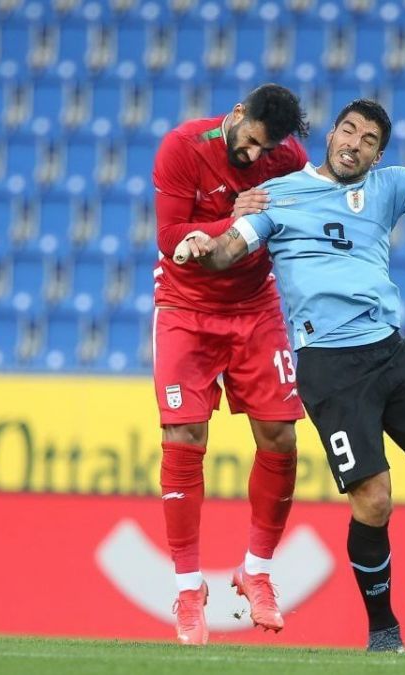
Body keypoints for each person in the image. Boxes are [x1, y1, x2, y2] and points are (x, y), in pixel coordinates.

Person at [175, 74, 405, 653]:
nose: (355, 143)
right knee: (375, 499)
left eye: (369, 139)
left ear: (379, 153)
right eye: (348, 130)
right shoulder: (283, 192)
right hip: (329, 364)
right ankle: (383, 631)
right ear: (330, 135)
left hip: (390, 350)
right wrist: (202, 243)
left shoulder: (391, 187)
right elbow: (230, 248)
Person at [151, 84, 310, 646]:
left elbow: (298, 216)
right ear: (236, 115)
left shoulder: (287, 158)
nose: (254, 158)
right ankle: (189, 589)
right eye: (249, 145)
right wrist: (231, 220)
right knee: (183, 433)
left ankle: (257, 571)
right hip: (185, 307)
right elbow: (170, 238)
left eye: (266, 151)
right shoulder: (181, 147)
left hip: (254, 306)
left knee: (280, 437)